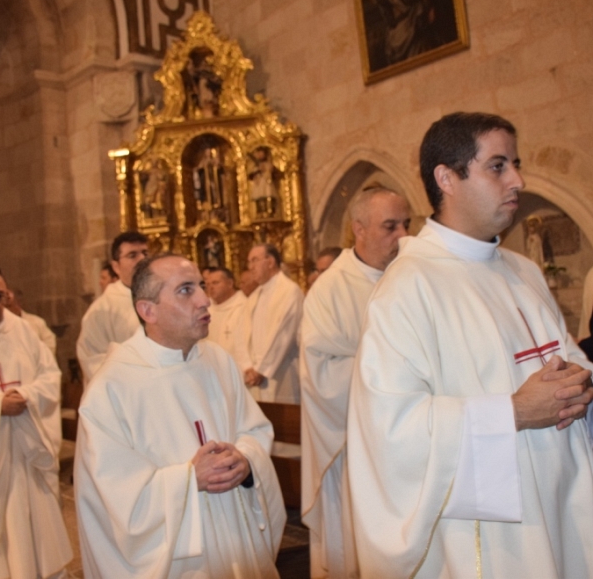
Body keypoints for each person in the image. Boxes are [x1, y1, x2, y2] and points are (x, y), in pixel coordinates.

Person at [347, 112, 593, 578]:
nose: (518, 179)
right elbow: (390, 429)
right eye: (498, 166)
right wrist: (513, 412)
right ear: (447, 178)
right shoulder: (408, 288)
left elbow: (568, 356)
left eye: (514, 164)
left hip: (566, 506)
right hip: (497, 536)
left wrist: (580, 383)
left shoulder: (523, 270)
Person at [74, 254, 286, 578]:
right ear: (148, 310)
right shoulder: (111, 389)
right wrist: (189, 479)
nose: (204, 299)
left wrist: (245, 460)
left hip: (236, 544)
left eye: (201, 286)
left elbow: (253, 430)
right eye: (186, 290)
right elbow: (113, 498)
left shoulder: (218, 361)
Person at [301, 187, 410, 578]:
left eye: (406, 224)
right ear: (358, 230)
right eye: (389, 226)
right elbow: (322, 372)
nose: (402, 236)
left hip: (411, 440)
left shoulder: (413, 276)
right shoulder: (331, 289)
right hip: (356, 448)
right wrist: (397, 373)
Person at [0, 271, 72, 578]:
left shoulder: (23, 331)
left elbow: (50, 377)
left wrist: (25, 395)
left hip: (27, 450)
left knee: (33, 520)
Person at [77, 231, 148, 387]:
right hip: (128, 392)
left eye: (145, 253)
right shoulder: (101, 310)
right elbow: (93, 360)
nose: (142, 259)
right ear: (116, 266)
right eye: (132, 255)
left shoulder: (163, 297)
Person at [236, 243, 304, 403]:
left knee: (286, 423)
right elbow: (240, 333)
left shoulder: (289, 291)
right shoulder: (254, 296)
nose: (250, 267)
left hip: (282, 370)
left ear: (270, 262)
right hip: (255, 373)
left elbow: (283, 334)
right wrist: (247, 366)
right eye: (249, 262)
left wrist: (262, 370)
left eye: (254, 260)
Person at [206, 267, 247, 361]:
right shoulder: (205, 308)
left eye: (215, 283)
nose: (210, 287)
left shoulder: (244, 306)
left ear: (230, 283)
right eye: (208, 284)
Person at [4, 285, 57, 356]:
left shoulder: (36, 322)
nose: (6, 310)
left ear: (19, 303)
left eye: (9, 306)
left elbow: (50, 344)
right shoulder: (0, 326)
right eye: (4, 306)